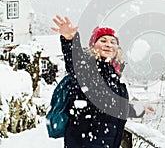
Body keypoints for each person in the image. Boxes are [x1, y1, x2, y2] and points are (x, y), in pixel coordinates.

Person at [51, 15, 154, 148]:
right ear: (94, 46)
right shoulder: (88, 67)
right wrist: (70, 39)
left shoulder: (113, 76)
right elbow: (74, 60)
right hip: (85, 143)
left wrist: (140, 109)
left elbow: (114, 106)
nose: (108, 44)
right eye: (103, 40)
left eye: (113, 42)